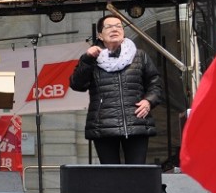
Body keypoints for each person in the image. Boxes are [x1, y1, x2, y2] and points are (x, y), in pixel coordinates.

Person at [69, 14, 163, 164]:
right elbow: (77, 84)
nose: (114, 29)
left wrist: (149, 101)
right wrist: (87, 59)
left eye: (118, 26)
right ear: (100, 35)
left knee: (136, 174)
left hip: (136, 123)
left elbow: (155, 83)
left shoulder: (139, 56)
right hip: (104, 126)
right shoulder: (91, 58)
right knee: (110, 176)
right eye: (109, 27)